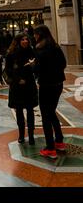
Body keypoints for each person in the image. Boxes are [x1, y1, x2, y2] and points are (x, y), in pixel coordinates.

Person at [33, 25, 67, 159]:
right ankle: (59, 141)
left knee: (46, 116)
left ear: (40, 35)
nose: (34, 36)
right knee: (52, 112)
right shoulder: (56, 47)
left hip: (46, 85)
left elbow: (38, 69)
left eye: (36, 34)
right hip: (58, 84)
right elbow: (63, 64)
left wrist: (33, 66)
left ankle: (50, 148)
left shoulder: (41, 50)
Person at [4, 33, 38, 144]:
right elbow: (7, 70)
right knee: (19, 110)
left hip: (29, 84)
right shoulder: (11, 54)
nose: (25, 41)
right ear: (18, 41)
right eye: (23, 39)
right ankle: (21, 134)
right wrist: (18, 79)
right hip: (17, 85)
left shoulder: (31, 52)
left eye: (26, 39)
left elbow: (37, 67)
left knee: (30, 110)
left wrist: (33, 66)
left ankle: (31, 135)